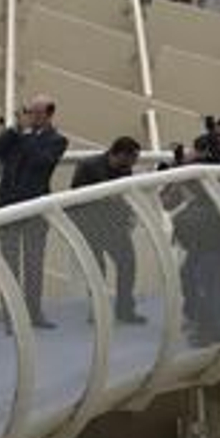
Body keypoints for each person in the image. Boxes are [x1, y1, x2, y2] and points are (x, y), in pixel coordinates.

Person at [170, 117, 220, 346]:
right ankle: (211, 317)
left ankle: (210, 332)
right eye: (216, 136)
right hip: (208, 231)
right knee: (194, 275)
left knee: (206, 279)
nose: (218, 140)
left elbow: (218, 193)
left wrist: (191, 169)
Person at [0, 94, 68, 328]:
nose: (30, 116)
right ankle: (11, 316)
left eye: (35, 112)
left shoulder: (57, 140)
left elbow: (41, 161)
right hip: (7, 206)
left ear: (48, 115)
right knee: (9, 265)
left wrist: (24, 136)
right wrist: (15, 131)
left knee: (34, 265)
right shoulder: (18, 135)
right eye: (29, 111)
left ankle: (34, 313)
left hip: (35, 209)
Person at [69, 136, 145, 325]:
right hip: (90, 227)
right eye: (132, 158)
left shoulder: (124, 168)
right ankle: (98, 311)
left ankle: (125, 309)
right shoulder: (88, 166)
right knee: (97, 270)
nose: (133, 164)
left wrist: (127, 215)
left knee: (128, 264)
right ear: (120, 154)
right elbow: (75, 197)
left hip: (114, 226)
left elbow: (123, 195)